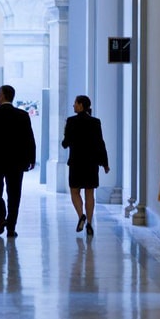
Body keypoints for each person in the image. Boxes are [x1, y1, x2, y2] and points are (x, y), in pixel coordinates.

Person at [0, 84, 36, 237]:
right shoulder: (22, 116)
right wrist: (31, 159)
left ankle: (1, 217)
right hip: (17, 162)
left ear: (3, 96)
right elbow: (29, 139)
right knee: (14, 194)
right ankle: (11, 227)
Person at [62, 94, 109, 236]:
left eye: (75, 103)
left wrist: (66, 137)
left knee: (74, 191)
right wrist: (105, 163)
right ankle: (89, 223)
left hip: (76, 162)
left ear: (81, 105)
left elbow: (65, 143)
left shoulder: (71, 121)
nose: (73, 106)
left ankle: (80, 215)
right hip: (91, 163)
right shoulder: (95, 122)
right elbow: (100, 143)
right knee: (90, 193)